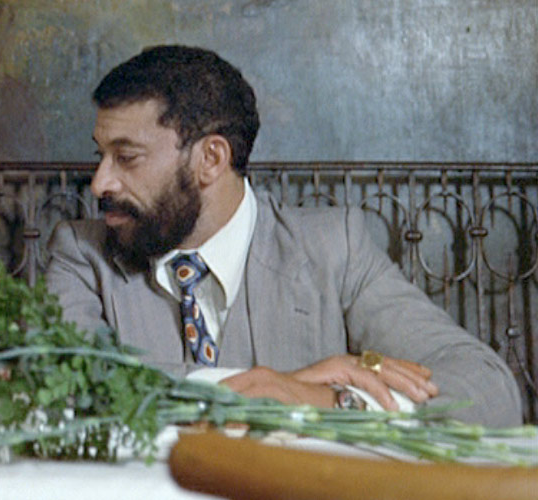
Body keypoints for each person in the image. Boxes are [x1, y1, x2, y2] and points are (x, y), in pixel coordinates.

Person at [45, 45, 522, 426]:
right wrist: (269, 387)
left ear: (211, 159)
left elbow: (489, 389)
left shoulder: (335, 248)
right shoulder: (81, 253)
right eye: (100, 155)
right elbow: (67, 385)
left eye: (126, 157)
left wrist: (331, 402)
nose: (99, 183)